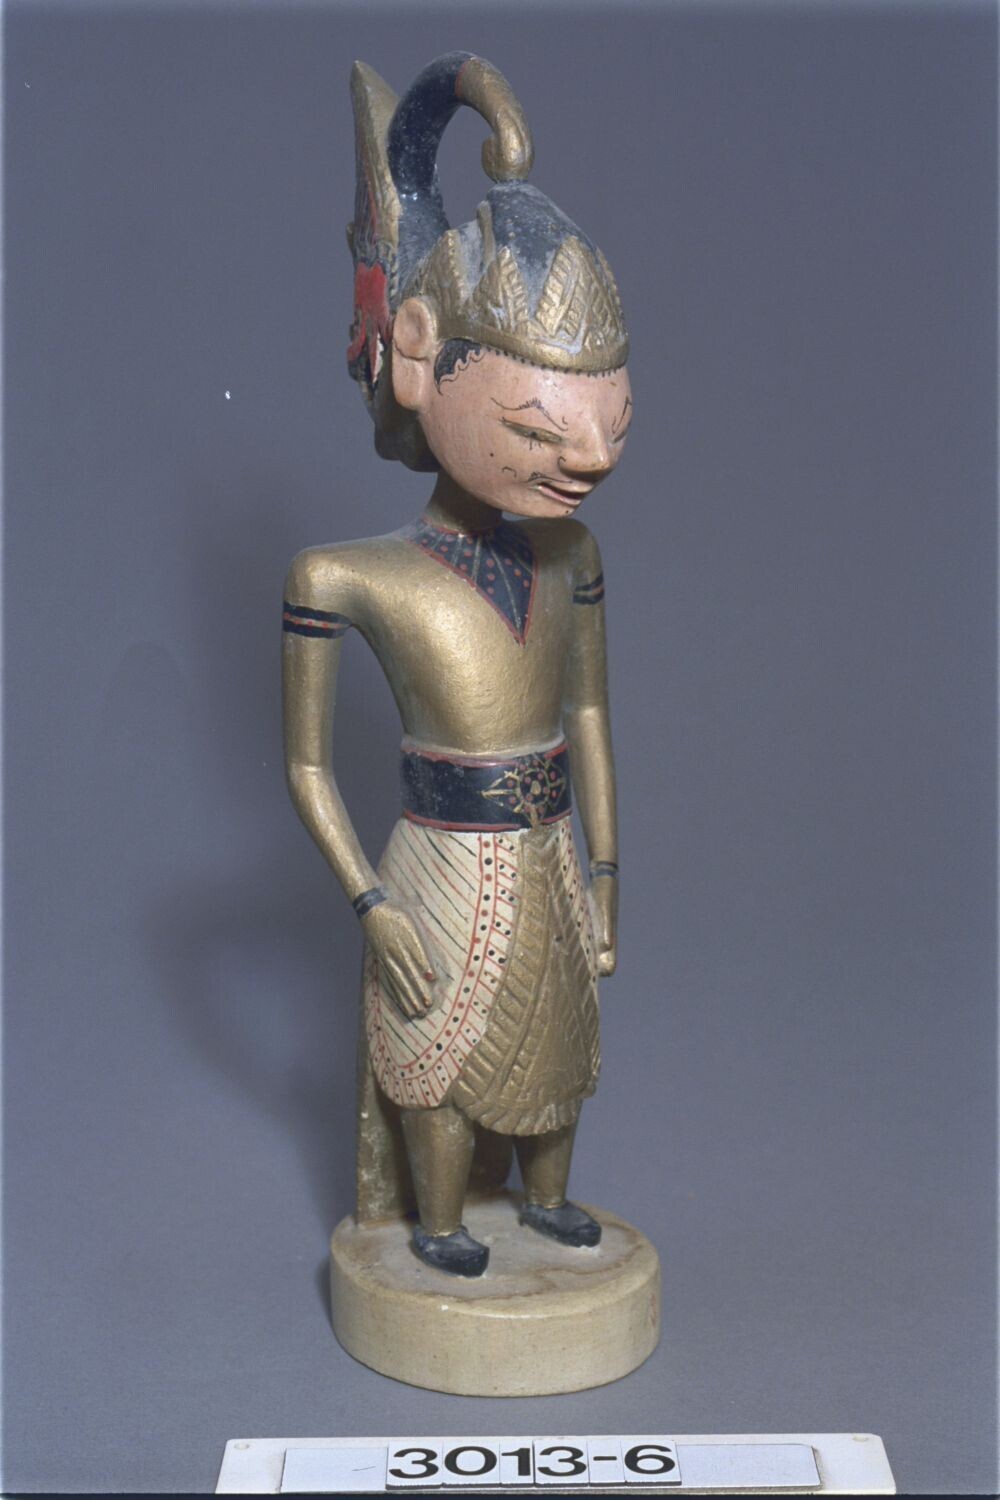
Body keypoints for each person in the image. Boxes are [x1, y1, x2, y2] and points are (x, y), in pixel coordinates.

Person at [283, 53, 631, 1277]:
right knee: (431, 1040)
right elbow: (305, 768)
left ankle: (546, 1201)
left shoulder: (572, 556)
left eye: (611, 429)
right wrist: (369, 905)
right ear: (419, 355)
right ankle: (434, 1223)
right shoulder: (343, 577)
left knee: (561, 1043)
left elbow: (589, 715)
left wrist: (605, 869)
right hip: (435, 858)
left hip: (547, 850)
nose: (586, 463)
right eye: (538, 430)